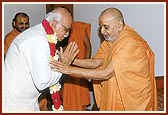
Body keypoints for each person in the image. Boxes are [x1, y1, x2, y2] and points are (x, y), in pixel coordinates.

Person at [50, 7, 158, 111]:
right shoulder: (111, 41)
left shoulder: (131, 43)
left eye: (106, 27)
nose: (102, 31)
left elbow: (105, 73)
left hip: (130, 100)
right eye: (100, 26)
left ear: (119, 25)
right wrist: (72, 60)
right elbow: (96, 62)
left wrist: (68, 69)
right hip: (112, 96)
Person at [3, 7, 79, 111]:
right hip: (15, 103)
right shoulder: (38, 39)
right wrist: (63, 65)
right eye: (66, 29)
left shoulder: (41, 35)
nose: (67, 34)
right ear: (55, 24)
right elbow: (43, 81)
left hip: (28, 101)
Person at [62, 21, 91, 111]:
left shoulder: (78, 27)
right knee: (67, 97)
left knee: (81, 96)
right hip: (66, 69)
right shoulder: (59, 30)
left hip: (80, 67)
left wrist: (85, 64)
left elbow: (88, 46)